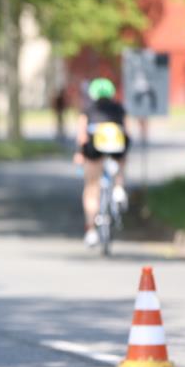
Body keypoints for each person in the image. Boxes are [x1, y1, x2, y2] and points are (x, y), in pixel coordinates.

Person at [74, 77, 131, 247]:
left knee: (91, 188)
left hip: (95, 149)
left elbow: (82, 136)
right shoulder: (119, 108)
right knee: (120, 161)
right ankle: (119, 188)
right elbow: (127, 133)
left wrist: (79, 154)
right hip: (117, 148)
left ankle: (91, 230)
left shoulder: (88, 110)